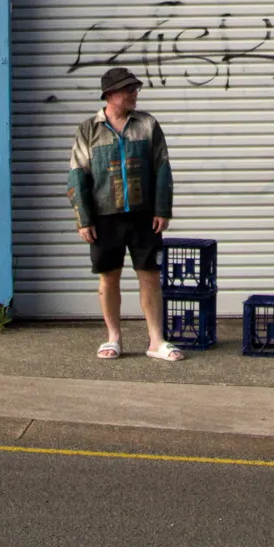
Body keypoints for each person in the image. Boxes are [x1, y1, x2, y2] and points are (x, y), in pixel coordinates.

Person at [67, 66, 180, 361]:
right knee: (108, 278)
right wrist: (84, 218)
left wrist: (162, 208)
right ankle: (113, 338)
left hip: (144, 216)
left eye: (135, 88)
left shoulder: (148, 124)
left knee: (151, 276)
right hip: (104, 218)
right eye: (129, 89)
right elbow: (77, 175)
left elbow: (162, 167)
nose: (134, 94)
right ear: (111, 94)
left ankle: (156, 341)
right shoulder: (88, 130)